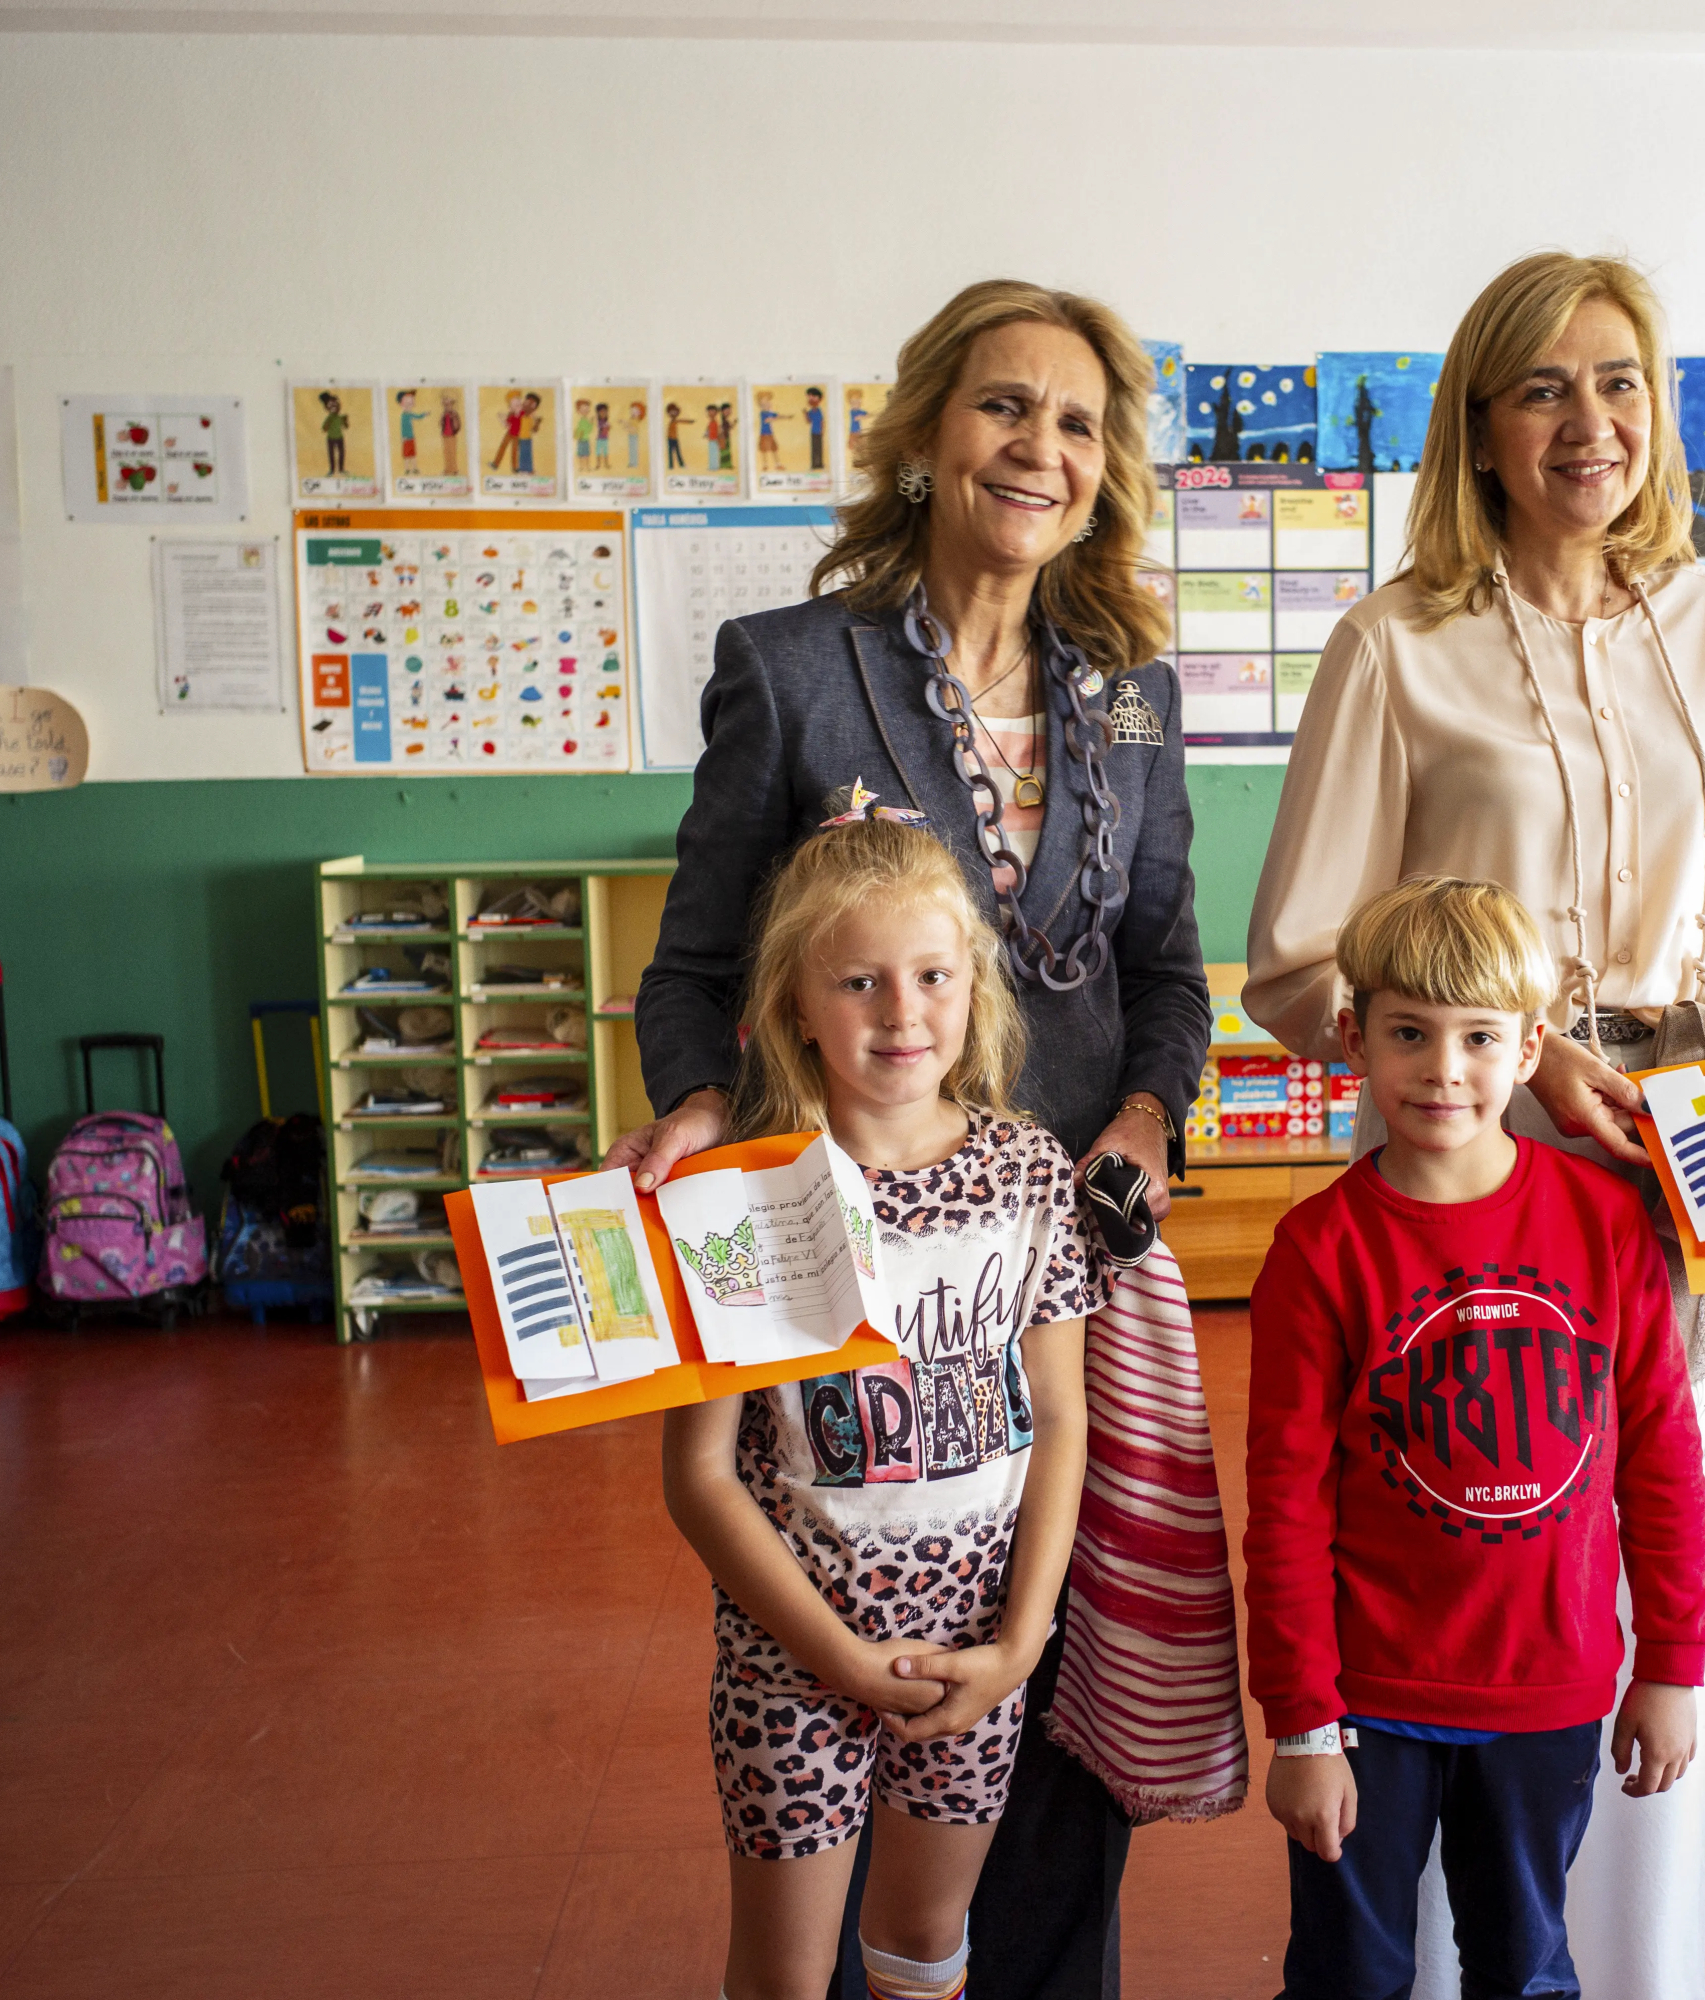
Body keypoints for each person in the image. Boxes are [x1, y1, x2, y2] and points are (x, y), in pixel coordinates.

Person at [609, 276, 1209, 2000]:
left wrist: (1151, 1119)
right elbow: (697, 964)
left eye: (1079, 422)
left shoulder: (1129, 692)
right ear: (928, 431)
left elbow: (1165, 962)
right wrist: (708, 1114)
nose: (1040, 448)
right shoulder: (793, 672)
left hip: (1064, 1250)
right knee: (836, 1638)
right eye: (1004, 406)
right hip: (843, 1253)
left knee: (1055, 1671)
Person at [1246, 250, 1705, 2000]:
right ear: (1478, 428)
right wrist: (1521, 1049)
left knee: (1649, 1553)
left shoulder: (1703, 622)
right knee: (1468, 1564)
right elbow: (1291, 959)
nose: (1592, 423)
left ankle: (1622, 1974)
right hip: (1468, 1161)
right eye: (1545, 388)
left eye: (1621, 382)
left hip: (1682, 1156)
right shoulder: (1393, 642)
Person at [1245, 878, 1705, 2000]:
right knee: (1350, 1974)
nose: (1443, 1067)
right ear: (1356, 1036)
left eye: (1478, 1037)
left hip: (1547, 1688)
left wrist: (1674, 1663)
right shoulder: (1318, 1249)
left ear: (1531, 1046)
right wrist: (1302, 1722)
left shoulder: (1602, 1223)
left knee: (1526, 1963)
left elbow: (1659, 1453)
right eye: (1410, 1032)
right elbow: (1285, 1504)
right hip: (1367, 1697)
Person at [660, 813, 1092, 2000]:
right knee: (790, 1975)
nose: (902, 1012)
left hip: (970, 1657)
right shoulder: (746, 1191)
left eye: (932, 975)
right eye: (859, 981)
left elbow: (1060, 1419)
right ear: (796, 1002)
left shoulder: (1028, 1170)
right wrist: (836, 1655)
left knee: (921, 1948)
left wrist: (1021, 1642)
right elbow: (698, 1474)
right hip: (791, 1658)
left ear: (973, 985)